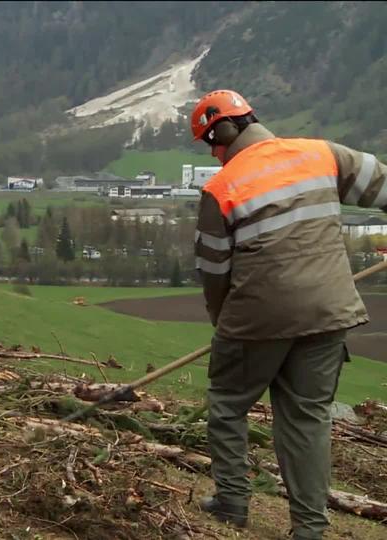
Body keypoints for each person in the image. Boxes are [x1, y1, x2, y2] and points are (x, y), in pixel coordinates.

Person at [190, 89, 387, 539]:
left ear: (220, 132)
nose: (214, 155)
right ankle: (309, 529)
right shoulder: (322, 154)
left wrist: (224, 325)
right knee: (307, 419)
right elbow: (383, 184)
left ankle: (232, 503)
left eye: (209, 144)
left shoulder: (220, 188)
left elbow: (214, 272)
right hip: (329, 312)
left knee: (227, 404)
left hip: (258, 319)